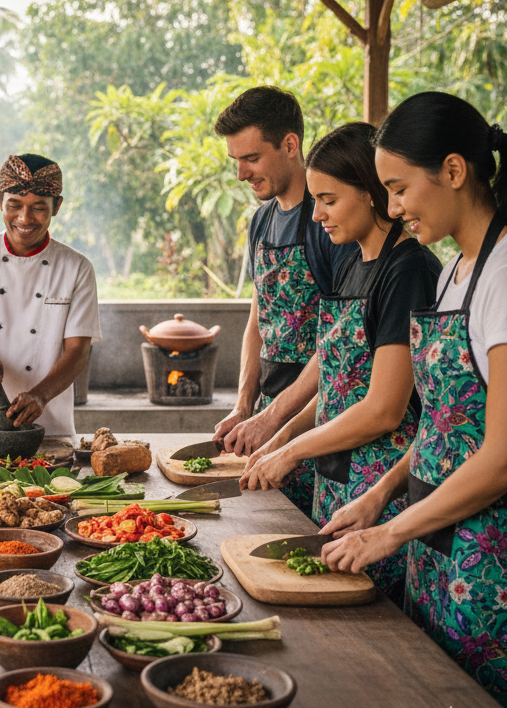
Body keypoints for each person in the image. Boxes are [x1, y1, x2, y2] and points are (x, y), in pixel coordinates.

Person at [321, 93, 507, 704]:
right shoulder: (457, 269)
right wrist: (381, 496)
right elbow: (447, 429)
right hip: (431, 537)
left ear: (453, 171)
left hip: (485, 559)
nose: (393, 209)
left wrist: (390, 533)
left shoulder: (503, 276)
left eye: (399, 188)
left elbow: (500, 455)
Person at [241, 123, 441, 601]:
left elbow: (382, 410)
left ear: (371, 193)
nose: (317, 215)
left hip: (381, 495)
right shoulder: (352, 259)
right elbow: (338, 384)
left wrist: (290, 451)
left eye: (328, 199)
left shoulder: (408, 270)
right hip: (336, 483)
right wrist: (283, 433)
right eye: (315, 201)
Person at [212, 87, 356, 516]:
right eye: (236, 160)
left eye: (251, 158)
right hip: (269, 414)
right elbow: (257, 321)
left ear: (290, 145)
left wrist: (275, 417)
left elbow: (339, 343)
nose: (241, 174)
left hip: (320, 415)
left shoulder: (332, 219)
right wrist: (244, 406)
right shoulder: (261, 220)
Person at [0, 154, 100, 436]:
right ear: (0, 200)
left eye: (38, 208)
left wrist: (40, 396)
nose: (25, 219)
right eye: (14, 205)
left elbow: (78, 351)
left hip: (47, 423)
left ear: (57, 206)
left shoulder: (77, 268)